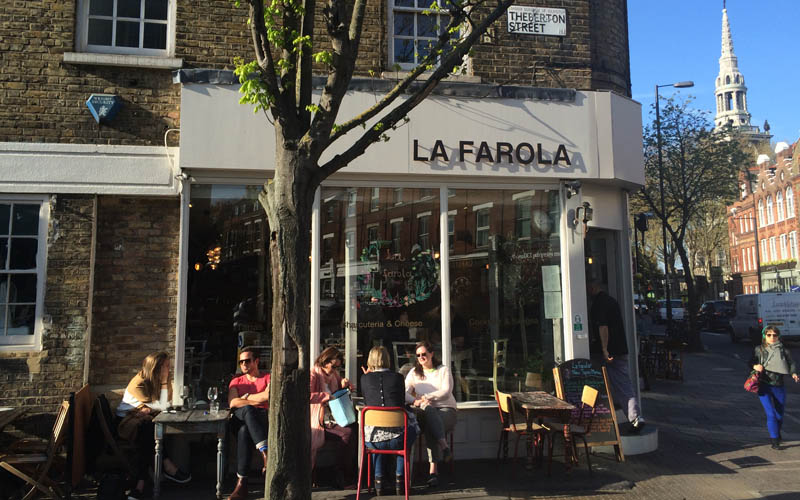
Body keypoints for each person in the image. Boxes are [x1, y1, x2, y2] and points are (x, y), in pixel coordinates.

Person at [116, 352, 191, 500]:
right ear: (156, 368)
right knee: (149, 433)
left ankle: (140, 485)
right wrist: (156, 405)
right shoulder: (138, 383)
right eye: (166, 366)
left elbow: (164, 403)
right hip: (126, 423)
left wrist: (163, 385)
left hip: (144, 421)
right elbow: (163, 405)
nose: (169, 370)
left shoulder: (158, 380)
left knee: (148, 434)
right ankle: (167, 466)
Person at [587, 280, 645, 432]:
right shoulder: (611, 301)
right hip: (620, 349)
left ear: (593, 288)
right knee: (623, 383)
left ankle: (596, 415)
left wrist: (605, 349)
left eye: (588, 288)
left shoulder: (599, 304)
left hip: (608, 352)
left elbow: (603, 326)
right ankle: (635, 417)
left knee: (593, 381)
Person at [360, 346, 418, 496]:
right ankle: (400, 481)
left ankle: (378, 482)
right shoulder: (398, 378)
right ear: (387, 359)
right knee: (410, 432)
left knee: (375, 437)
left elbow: (369, 401)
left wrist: (368, 377)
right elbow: (399, 401)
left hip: (372, 440)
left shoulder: (364, 378)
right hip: (398, 440)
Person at [404, 340, 455, 488]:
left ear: (432, 354)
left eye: (424, 354)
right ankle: (444, 448)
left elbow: (446, 392)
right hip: (425, 410)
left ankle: (433, 471)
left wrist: (427, 397)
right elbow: (404, 393)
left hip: (447, 409)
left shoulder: (443, 370)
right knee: (429, 414)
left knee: (430, 426)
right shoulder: (414, 373)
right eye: (418, 355)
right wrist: (415, 401)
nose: (421, 357)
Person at [227, 347, 270, 500]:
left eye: (247, 361)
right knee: (248, 410)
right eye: (241, 362)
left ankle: (242, 484)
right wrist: (251, 402)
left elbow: (267, 396)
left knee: (245, 431)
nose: (243, 364)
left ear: (256, 361)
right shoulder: (236, 381)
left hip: (261, 420)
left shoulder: (267, 378)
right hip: (239, 419)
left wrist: (245, 397)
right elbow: (233, 402)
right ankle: (265, 452)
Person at [310, 346, 356, 488]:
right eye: (333, 365)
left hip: (335, 416)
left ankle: (346, 473)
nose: (334, 370)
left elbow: (338, 393)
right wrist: (325, 396)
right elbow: (306, 396)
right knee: (347, 433)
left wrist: (345, 386)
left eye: (336, 367)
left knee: (354, 429)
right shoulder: (313, 375)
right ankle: (339, 475)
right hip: (319, 419)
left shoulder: (334, 375)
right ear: (326, 361)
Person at [750, 325, 799, 450]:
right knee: (771, 414)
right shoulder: (759, 349)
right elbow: (750, 361)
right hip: (764, 385)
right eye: (769, 335)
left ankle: (777, 432)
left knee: (779, 415)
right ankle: (774, 440)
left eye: (775, 335)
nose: (772, 337)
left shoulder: (784, 350)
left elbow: (791, 363)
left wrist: (794, 373)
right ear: (764, 336)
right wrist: (755, 366)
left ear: (778, 336)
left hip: (779, 386)